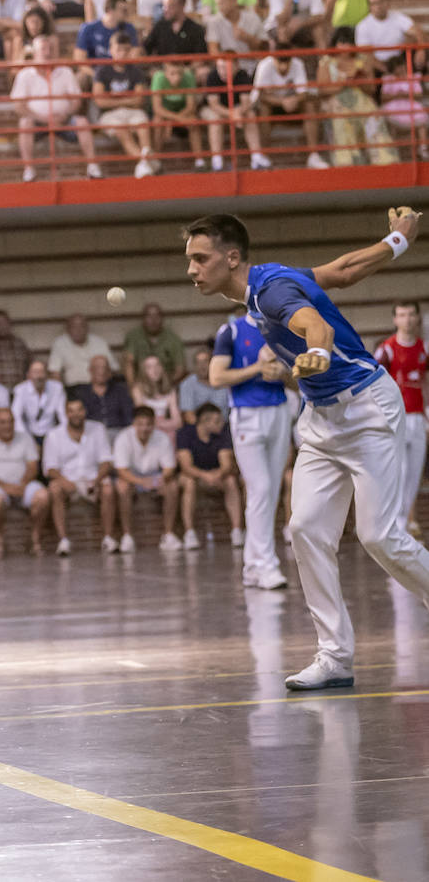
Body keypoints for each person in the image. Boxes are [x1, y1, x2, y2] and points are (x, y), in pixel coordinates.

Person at [183, 211, 429, 690]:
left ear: (231, 257)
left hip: (366, 409)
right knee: (306, 528)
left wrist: (315, 350)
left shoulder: (271, 291)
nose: (191, 269)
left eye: (200, 258)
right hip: (321, 419)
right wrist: (399, 239)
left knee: (379, 536)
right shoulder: (270, 278)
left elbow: (315, 326)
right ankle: (335, 657)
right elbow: (344, 271)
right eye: (189, 259)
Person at [211, 312, 292, 589]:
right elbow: (216, 377)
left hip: (279, 411)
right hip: (246, 414)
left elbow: (297, 379)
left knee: (270, 491)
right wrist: (257, 368)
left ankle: (252, 565)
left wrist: (283, 372)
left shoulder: (281, 329)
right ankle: (266, 564)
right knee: (259, 489)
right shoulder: (230, 331)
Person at [12, 34, 102, 182]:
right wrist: (42, 118)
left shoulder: (65, 71)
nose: (48, 53)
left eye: (51, 49)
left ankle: (93, 167)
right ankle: (29, 170)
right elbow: (18, 106)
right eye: (43, 49)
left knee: (82, 121)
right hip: (37, 123)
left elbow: (76, 101)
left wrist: (65, 115)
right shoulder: (24, 75)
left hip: (64, 121)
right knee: (24, 123)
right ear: (35, 53)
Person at [373, 301, 427, 537]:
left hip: (417, 418)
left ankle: (404, 524)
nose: (406, 319)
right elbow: (374, 384)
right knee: (399, 473)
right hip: (395, 419)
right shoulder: (386, 349)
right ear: (395, 319)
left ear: (417, 318)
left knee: (414, 476)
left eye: (410, 314)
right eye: (401, 315)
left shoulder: (424, 348)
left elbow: (425, 382)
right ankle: (394, 526)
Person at [43, 396, 116, 555]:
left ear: (85, 411)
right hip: (68, 481)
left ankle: (108, 539)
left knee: (108, 488)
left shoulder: (97, 429)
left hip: (92, 479)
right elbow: (50, 468)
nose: (76, 414)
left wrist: (96, 481)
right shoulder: (54, 435)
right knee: (54, 488)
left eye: (79, 410)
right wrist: (64, 481)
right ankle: (63, 541)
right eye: (71, 411)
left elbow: (106, 461)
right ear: (66, 413)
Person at [317, 27, 397, 168]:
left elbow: (371, 88)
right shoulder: (326, 62)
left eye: (349, 42)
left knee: (374, 115)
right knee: (341, 116)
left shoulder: (363, 60)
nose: (345, 47)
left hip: (362, 100)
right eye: (342, 43)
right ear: (335, 44)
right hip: (336, 102)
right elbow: (322, 90)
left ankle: (385, 161)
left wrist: (358, 81)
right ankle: (347, 162)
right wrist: (343, 84)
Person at [0, 406, 48, 556]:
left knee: (43, 496)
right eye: (2, 422)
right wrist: (6, 487)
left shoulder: (25, 438)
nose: (7, 426)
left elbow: (32, 466)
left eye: (10, 422)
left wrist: (23, 484)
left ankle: (35, 540)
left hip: (23, 484)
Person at [111, 406, 181, 552]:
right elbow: (122, 471)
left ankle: (168, 534)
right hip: (132, 477)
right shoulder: (123, 437)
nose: (144, 428)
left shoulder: (162, 438)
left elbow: (169, 468)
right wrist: (141, 482)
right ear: (134, 423)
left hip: (155, 475)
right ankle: (127, 536)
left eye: (148, 424)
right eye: (140, 424)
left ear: (153, 423)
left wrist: (160, 479)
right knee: (122, 487)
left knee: (172, 486)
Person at [176, 401, 243, 549]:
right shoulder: (185, 433)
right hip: (194, 475)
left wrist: (216, 475)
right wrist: (205, 476)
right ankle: (189, 533)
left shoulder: (223, 434)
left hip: (216, 476)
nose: (221, 424)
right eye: (217, 421)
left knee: (231, 481)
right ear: (204, 422)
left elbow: (226, 465)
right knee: (189, 482)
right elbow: (186, 466)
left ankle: (236, 531)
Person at [91, 32, 153, 180]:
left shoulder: (136, 71)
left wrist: (114, 98)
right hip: (109, 115)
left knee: (143, 126)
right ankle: (147, 163)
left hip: (133, 112)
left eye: (126, 50)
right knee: (122, 130)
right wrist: (127, 100)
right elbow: (99, 101)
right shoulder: (102, 71)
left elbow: (139, 100)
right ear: (111, 50)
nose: (123, 53)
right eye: (119, 49)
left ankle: (144, 165)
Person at [121, 302, 186, 384]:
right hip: (140, 385)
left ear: (162, 318)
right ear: (143, 319)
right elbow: (128, 364)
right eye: (149, 316)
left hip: (167, 385)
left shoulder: (173, 339)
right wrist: (134, 388)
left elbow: (180, 368)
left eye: (157, 316)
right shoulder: (133, 336)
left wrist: (166, 386)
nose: (153, 320)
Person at [73, 354, 134, 439]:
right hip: (91, 435)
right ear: (90, 370)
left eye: (105, 368)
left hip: (118, 433)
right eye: (97, 368)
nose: (101, 371)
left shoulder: (120, 391)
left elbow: (128, 416)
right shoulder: (81, 393)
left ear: (109, 371)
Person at [11, 359, 67, 444]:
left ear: (47, 375)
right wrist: (27, 439)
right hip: (28, 432)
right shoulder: (20, 390)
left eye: (41, 372)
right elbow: (16, 416)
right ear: (28, 375)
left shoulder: (57, 388)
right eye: (35, 372)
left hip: (51, 432)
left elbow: (63, 414)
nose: (39, 376)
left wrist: (64, 434)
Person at [132, 354, 183, 440]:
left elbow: (178, 422)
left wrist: (161, 424)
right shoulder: (137, 390)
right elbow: (143, 418)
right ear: (144, 371)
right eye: (149, 367)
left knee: (172, 435)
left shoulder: (170, 390)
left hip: (166, 428)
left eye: (157, 365)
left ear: (162, 368)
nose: (154, 370)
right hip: (146, 428)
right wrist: (163, 424)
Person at [177, 349, 228, 423]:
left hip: (226, 426)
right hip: (199, 429)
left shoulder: (224, 381)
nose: (202, 366)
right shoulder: (187, 384)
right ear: (194, 365)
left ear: (212, 363)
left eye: (205, 361)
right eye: (198, 362)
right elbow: (189, 417)